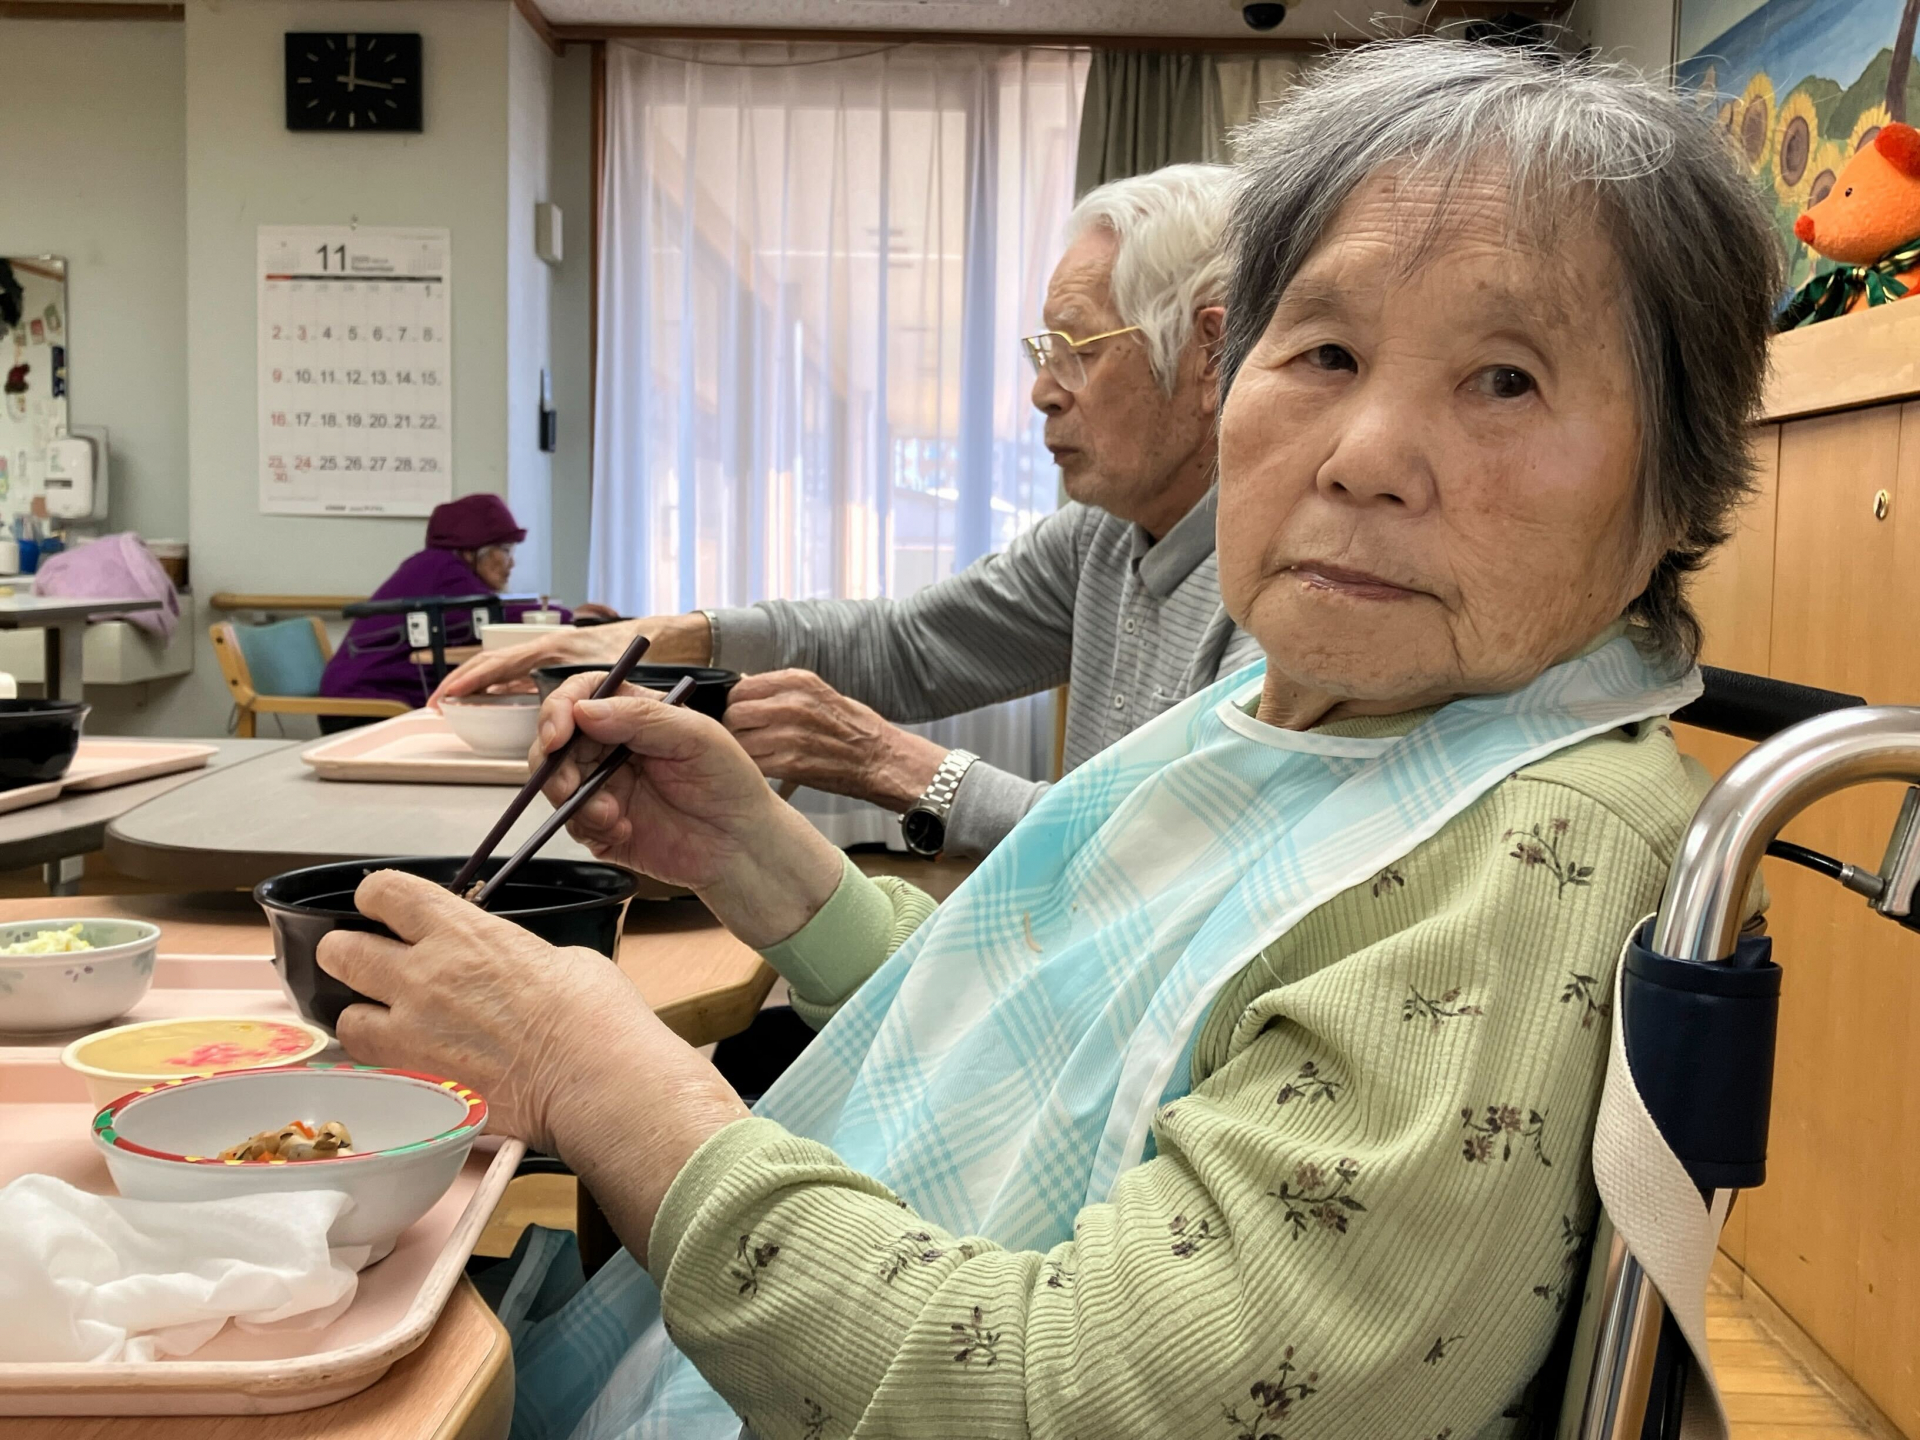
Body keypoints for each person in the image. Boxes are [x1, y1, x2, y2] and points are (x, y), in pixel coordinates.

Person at [316, 40, 1779, 1440]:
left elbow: (1084, 1406)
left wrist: (599, 1076)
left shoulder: (1526, 855)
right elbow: (1080, 1026)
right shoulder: (1294, 699)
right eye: (1326, 351)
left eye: (1507, 378)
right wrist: (758, 858)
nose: (1365, 457)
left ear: (1679, 480)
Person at [434, 164, 1263, 858]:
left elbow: (1167, 858)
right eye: (1042, 354)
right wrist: (654, 640)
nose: (1043, 391)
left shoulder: (1281, 580)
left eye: (1074, 351)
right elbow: (908, 645)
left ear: (1210, 354)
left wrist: (887, 762)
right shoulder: (1102, 539)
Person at [318, 494, 613, 715]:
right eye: (505, 550)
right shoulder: (444, 570)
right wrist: (570, 617)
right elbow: (500, 616)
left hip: (367, 693)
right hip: (363, 704)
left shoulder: (437, 567)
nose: (511, 563)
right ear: (474, 551)